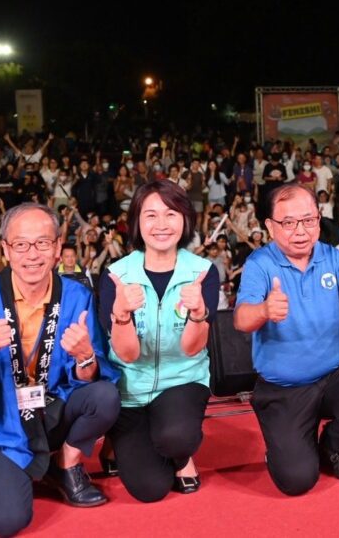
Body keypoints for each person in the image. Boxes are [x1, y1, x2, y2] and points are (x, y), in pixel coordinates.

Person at [0, 203, 120, 536]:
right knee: (7, 522)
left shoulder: (78, 297)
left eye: (42, 243)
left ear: (58, 247)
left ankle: (66, 463)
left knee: (105, 396)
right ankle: (20, 468)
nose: (32, 254)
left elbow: (92, 376)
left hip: (51, 407)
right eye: (21, 244)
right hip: (0, 419)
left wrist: (85, 357)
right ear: (5, 249)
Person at [234, 184, 339, 495]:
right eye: (288, 223)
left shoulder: (334, 258)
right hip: (285, 387)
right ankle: (284, 448)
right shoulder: (259, 264)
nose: (300, 231)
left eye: (308, 220)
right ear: (269, 226)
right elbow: (240, 319)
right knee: (296, 481)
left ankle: (335, 446)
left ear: (319, 220)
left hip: (334, 373)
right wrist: (264, 309)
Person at [98, 180, 219, 502]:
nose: (162, 225)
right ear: (137, 221)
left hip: (182, 380)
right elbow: (127, 353)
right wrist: (121, 314)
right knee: (149, 490)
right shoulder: (116, 276)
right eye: (150, 215)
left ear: (185, 219)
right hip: (130, 388)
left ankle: (180, 454)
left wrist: (197, 312)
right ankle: (118, 440)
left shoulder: (203, 272)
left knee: (176, 438)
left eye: (171, 214)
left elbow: (192, 348)